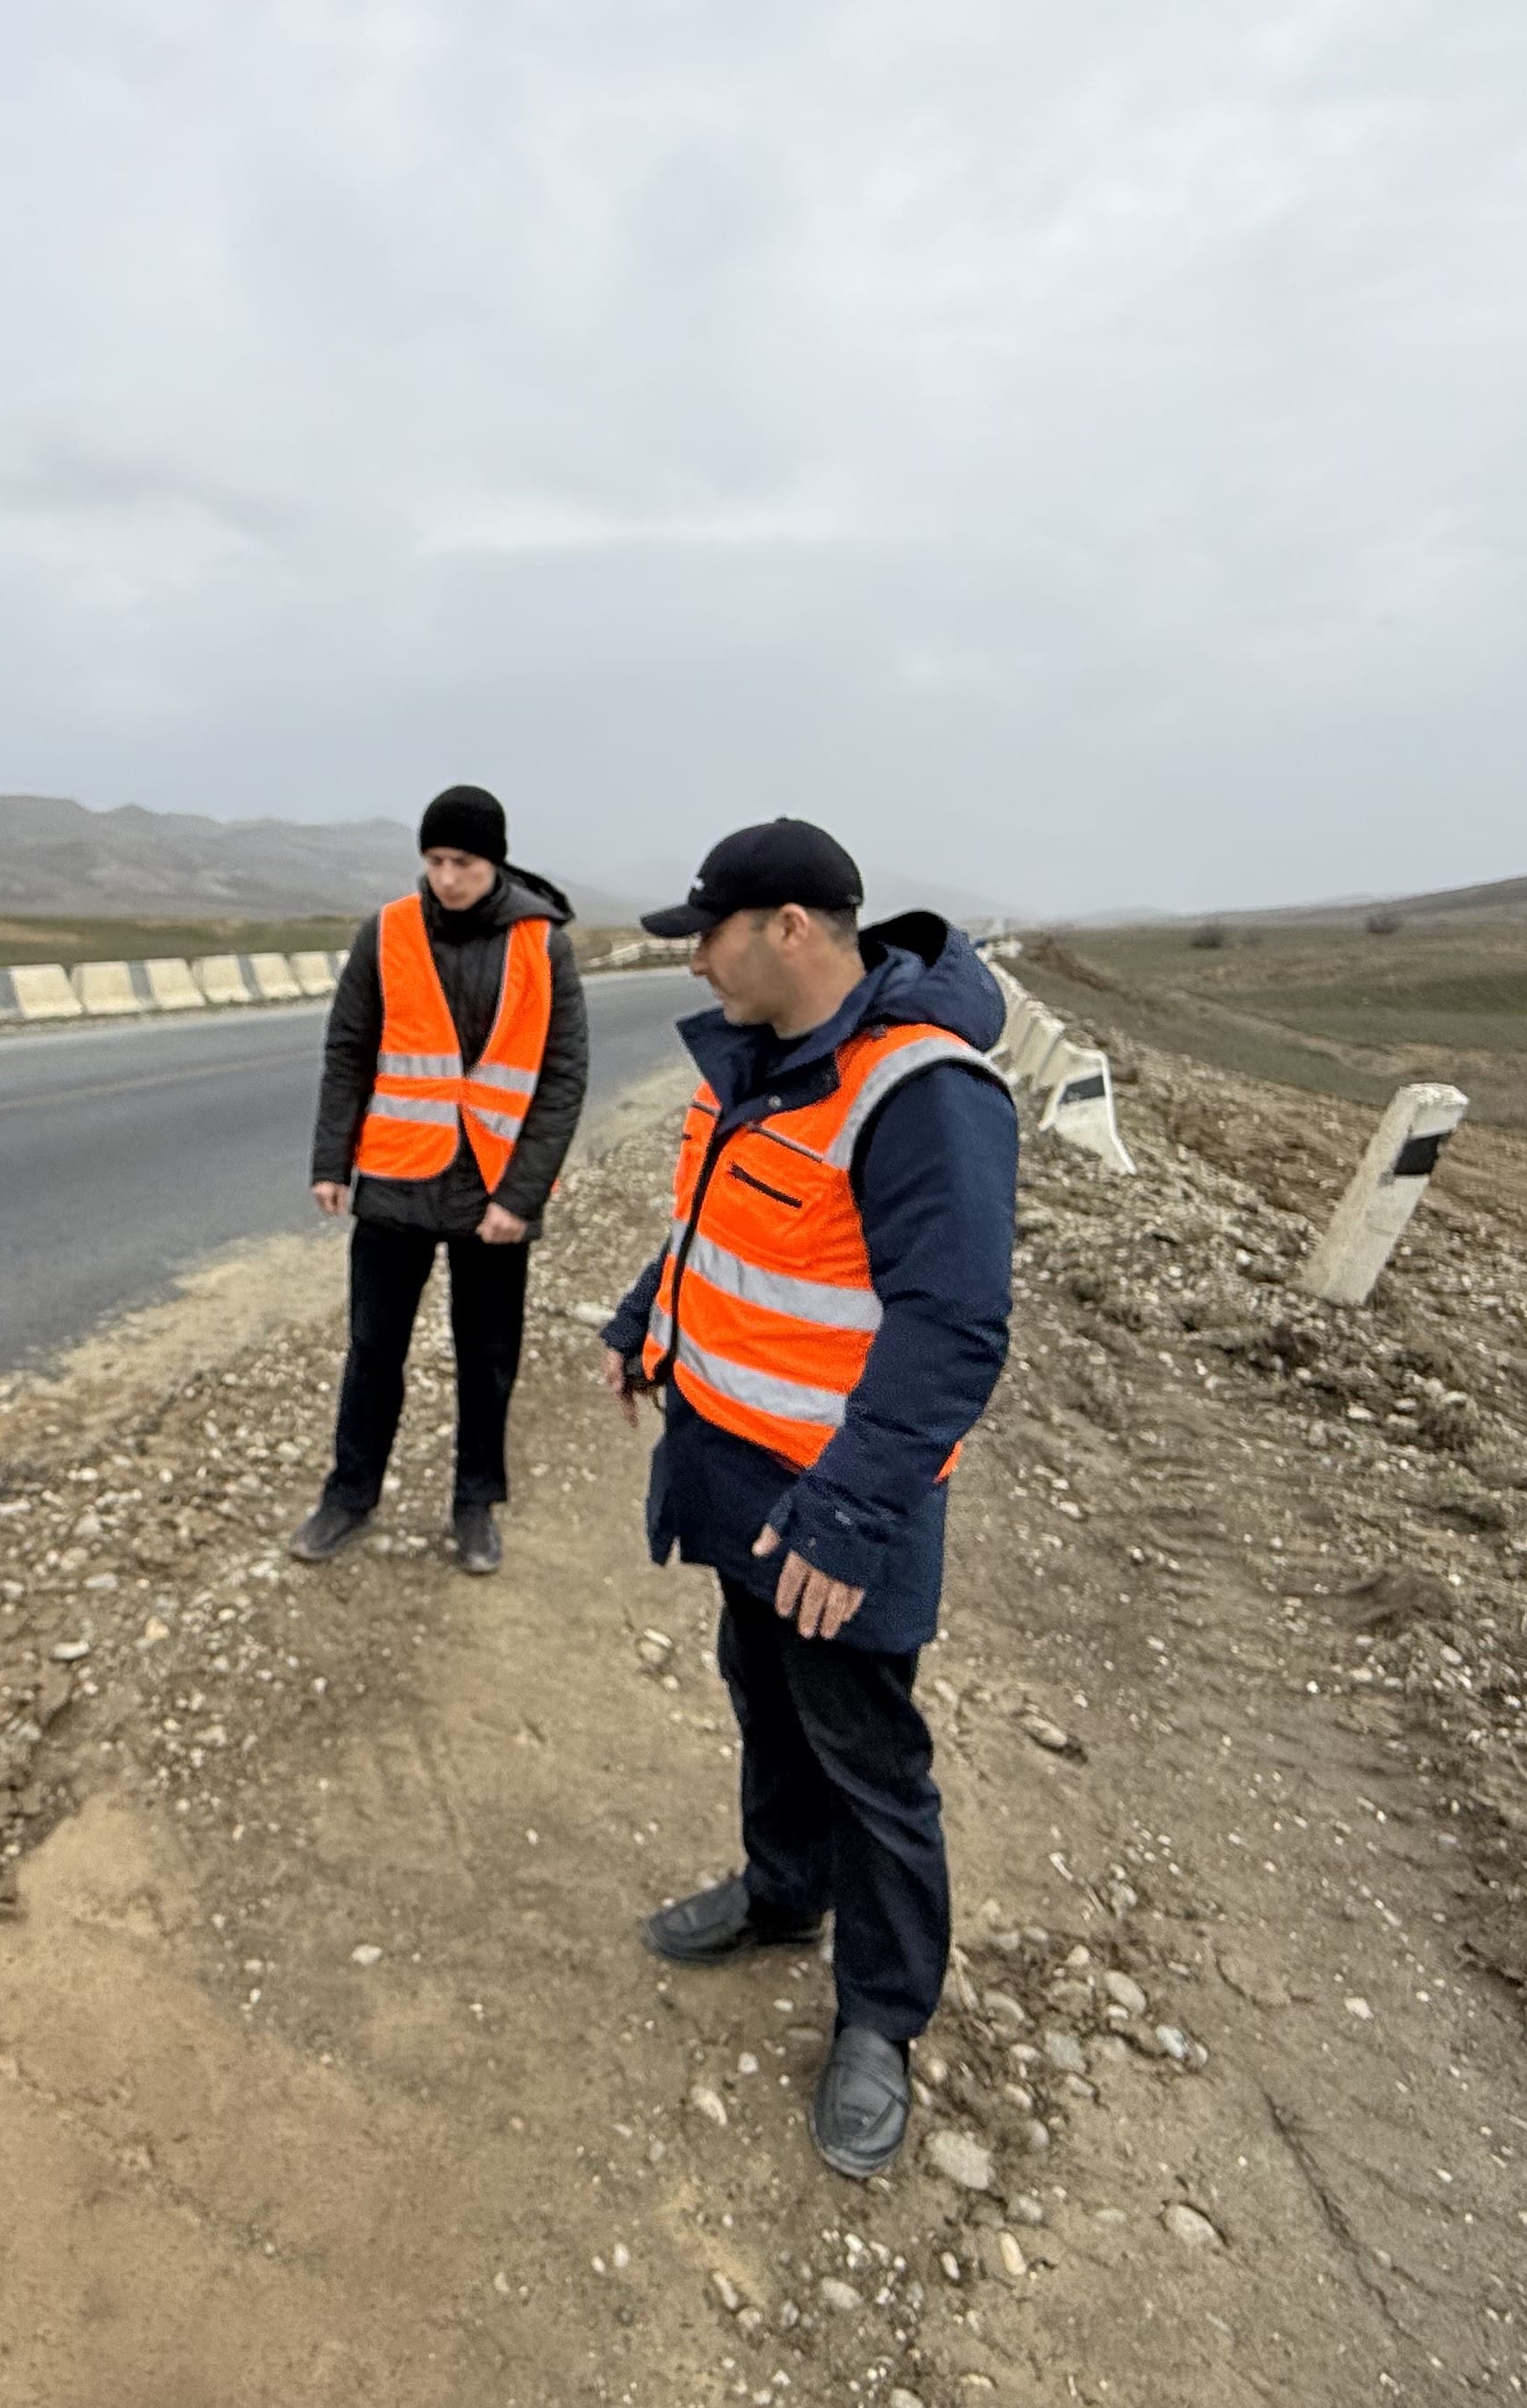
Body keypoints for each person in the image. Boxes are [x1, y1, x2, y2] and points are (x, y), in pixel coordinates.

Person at [596, 819, 1017, 2179]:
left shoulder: (920, 1090)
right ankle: (783, 1895)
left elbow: (952, 1326)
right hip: (732, 1466)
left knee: (867, 1755)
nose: (694, 963)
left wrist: (846, 1516)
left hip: (839, 1502)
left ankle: (880, 2021)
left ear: (788, 928)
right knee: (763, 1696)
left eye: (707, 935)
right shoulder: (762, 1059)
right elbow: (722, 1225)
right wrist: (645, 1317)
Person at [292, 784, 588, 1575]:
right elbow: (348, 1050)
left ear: (495, 863)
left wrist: (520, 1197)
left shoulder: (542, 944)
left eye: (463, 862)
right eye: (434, 860)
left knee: (487, 1358)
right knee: (372, 1350)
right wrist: (331, 1161)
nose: (447, 878)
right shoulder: (386, 931)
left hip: (493, 1190)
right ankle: (349, 1496)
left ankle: (475, 1505)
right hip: (395, 1179)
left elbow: (561, 1079)